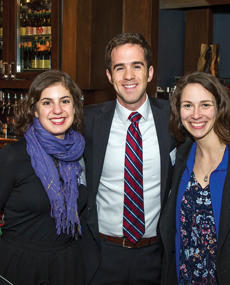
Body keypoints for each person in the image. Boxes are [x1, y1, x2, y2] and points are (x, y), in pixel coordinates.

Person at [80, 32, 177, 284]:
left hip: (156, 257)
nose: (129, 76)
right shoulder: (87, 121)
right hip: (101, 255)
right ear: (109, 76)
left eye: (137, 66)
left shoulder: (174, 119)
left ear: (150, 72)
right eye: (119, 68)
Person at [158, 70, 230, 285]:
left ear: (220, 108)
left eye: (205, 105)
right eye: (187, 105)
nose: (196, 114)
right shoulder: (181, 157)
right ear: (178, 112)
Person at [0, 70, 87, 285]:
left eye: (65, 101)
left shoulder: (81, 155)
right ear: (35, 110)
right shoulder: (12, 157)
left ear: (74, 107)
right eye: (47, 102)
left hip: (68, 265)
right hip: (19, 266)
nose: (57, 110)